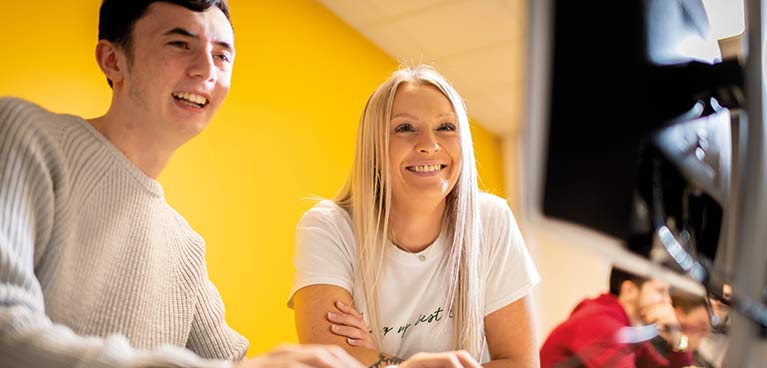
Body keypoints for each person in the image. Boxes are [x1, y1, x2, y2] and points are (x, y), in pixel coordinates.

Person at [0, 1, 363, 367]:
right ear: (113, 60)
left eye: (222, 56)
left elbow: (235, 363)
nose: (206, 69)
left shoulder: (185, 246)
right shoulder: (24, 134)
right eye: (180, 44)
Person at [289, 65, 541, 367]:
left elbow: (522, 364)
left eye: (446, 127)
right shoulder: (329, 227)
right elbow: (330, 363)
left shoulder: (492, 220)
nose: (429, 145)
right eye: (405, 128)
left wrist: (376, 360)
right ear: (375, 150)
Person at [539, 267, 695, 368]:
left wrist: (677, 338)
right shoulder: (602, 324)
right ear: (629, 290)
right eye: (660, 291)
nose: (668, 302)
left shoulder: (628, 328)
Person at [650, 290, 716, 367]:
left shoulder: (698, 358)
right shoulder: (651, 345)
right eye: (702, 326)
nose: (705, 334)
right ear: (678, 314)